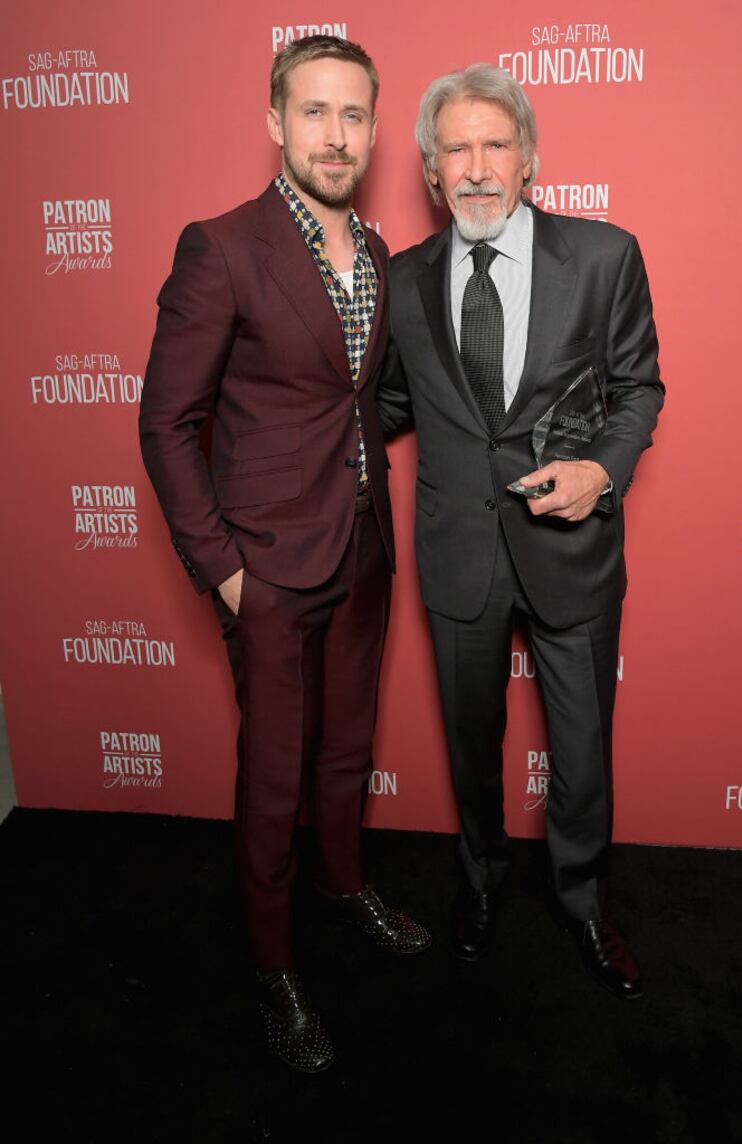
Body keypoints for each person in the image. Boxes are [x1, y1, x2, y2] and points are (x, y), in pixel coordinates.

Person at [139, 35, 429, 1073]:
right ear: (275, 121)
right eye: (314, 112)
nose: (337, 136)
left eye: (354, 115)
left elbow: (357, 396)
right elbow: (167, 423)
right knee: (272, 776)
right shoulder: (220, 247)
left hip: (361, 546)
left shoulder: (382, 254)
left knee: (345, 748)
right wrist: (224, 570)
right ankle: (273, 967)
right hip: (264, 564)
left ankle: (343, 885)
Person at [379, 64, 664, 999]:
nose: (476, 167)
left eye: (494, 144)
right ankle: (481, 882)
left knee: (583, 754)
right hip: (457, 553)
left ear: (530, 158)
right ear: (429, 170)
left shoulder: (606, 256)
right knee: (471, 742)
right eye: (454, 148)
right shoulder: (405, 279)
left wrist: (602, 472)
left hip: (571, 552)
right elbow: (381, 404)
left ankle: (584, 903)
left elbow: (638, 390)